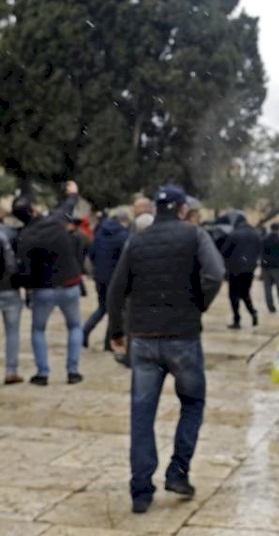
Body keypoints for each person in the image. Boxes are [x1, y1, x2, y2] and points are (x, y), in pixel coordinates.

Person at [107, 184, 226, 514]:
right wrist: (196, 305)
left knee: (141, 414)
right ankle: (178, 470)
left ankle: (140, 489)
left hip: (144, 338)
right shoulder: (194, 235)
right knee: (192, 402)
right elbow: (215, 274)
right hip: (183, 336)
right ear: (182, 209)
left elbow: (116, 290)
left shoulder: (137, 239)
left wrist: (117, 331)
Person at [13, 181, 85, 386]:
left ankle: (42, 373)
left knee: (38, 330)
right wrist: (72, 193)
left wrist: (28, 289)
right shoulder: (55, 221)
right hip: (69, 282)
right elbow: (67, 207)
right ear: (34, 209)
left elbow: (23, 270)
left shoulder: (24, 237)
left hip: (43, 288)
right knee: (74, 327)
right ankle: (73, 371)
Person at [83, 210, 131, 351]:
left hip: (100, 277)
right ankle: (107, 342)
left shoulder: (99, 233)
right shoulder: (123, 236)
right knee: (115, 309)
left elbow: (91, 253)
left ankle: (86, 332)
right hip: (115, 277)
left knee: (103, 307)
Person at [221, 212, 262, 329]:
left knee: (233, 295)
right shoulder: (256, 234)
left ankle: (237, 319)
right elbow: (259, 250)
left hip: (234, 269)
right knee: (245, 293)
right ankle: (253, 312)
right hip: (249, 269)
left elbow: (225, 251)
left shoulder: (234, 234)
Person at [0, 216, 23, 384]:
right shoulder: (11, 233)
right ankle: (11, 370)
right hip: (9, 287)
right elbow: (14, 263)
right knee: (12, 332)